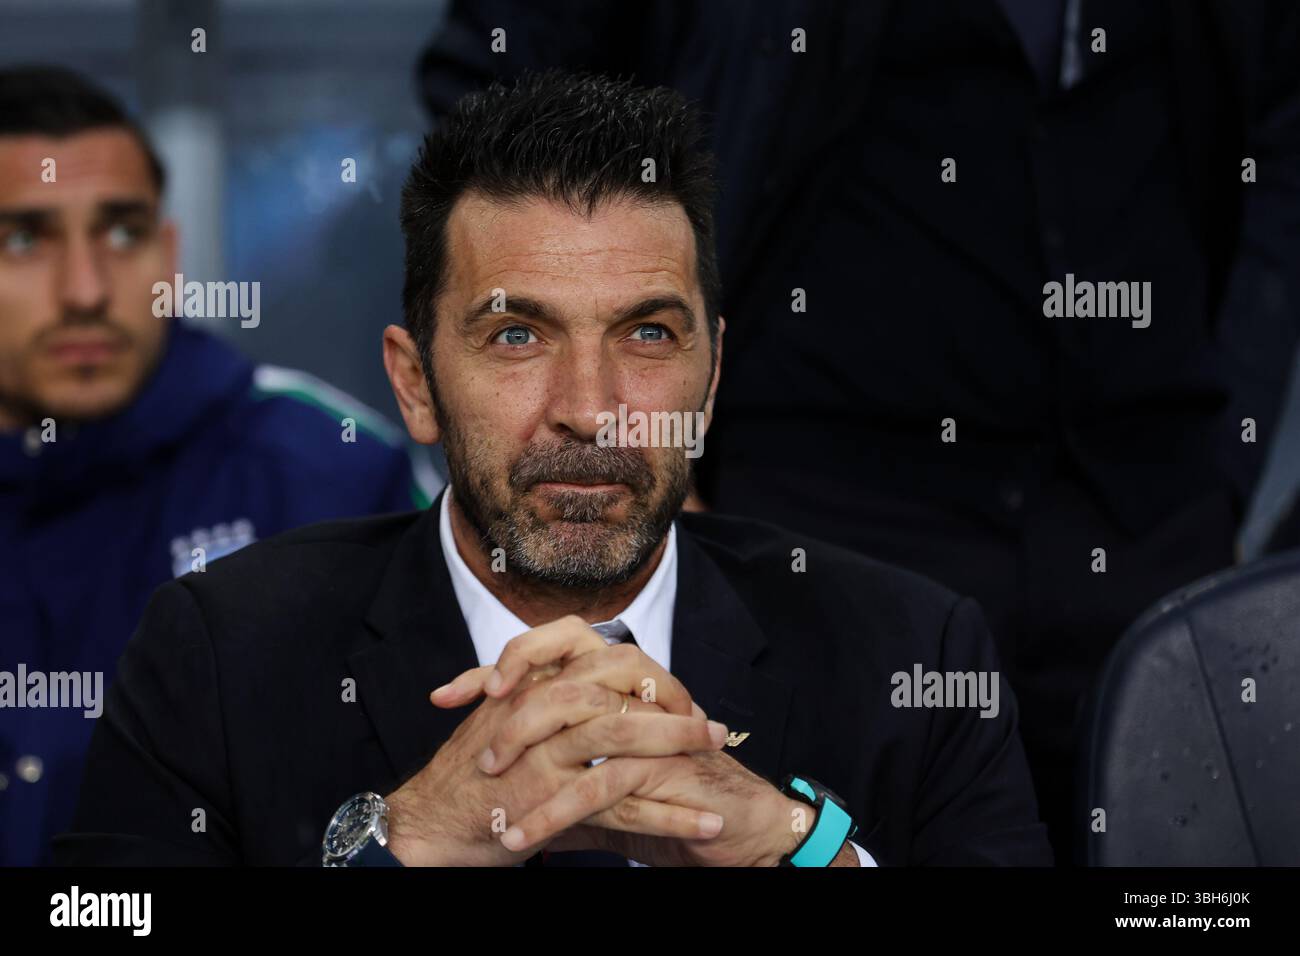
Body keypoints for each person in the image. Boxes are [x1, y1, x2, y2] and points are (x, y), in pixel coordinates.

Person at [56, 71, 1050, 867]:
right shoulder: (221, 653)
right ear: (414, 384)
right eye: (517, 334)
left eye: (648, 332)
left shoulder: (913, 654)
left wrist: (797, 846)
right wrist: (396, 847)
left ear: (711, 379)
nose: (590, 404)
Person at [416, 0, 1300, 860]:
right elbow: (497, 88)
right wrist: (644, 428)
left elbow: (1281, 124)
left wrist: (1227, 446)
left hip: (1145, 503)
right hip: (813, 492)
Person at [0, 66, 438, 866]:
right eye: (25, 238)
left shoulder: (322, 468)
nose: (86, 290)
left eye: (122, 232)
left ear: (169, 254)